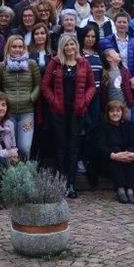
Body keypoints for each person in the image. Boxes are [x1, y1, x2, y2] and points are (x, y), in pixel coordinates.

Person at [42, 33, 96, 198]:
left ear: (76, 46)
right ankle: (61, 182)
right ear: (62, 47)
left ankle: (71, 183)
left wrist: (84, 102)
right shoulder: (55, 62)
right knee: (60, 147)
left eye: (72, 44)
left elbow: (91, 86)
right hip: (59, 112)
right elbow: (45, 86)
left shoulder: (84, 63)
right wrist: (54, 101)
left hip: (77, 112)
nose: (69, 47)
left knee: (74, 147)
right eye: (66, 45)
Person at [0, 35, 40, 159]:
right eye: (14, 46)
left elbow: (38, 85)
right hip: (8, 114)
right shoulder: (1, 66)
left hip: (26, 113)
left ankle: (24, 170)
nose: (17, 49)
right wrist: (4, 100)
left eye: (20, 47)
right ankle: (11, 171)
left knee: (24, 147)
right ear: (8, 48)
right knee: (9, 148)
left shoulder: (31, 64)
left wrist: (31, 98)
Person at [91, 100, 134, 204]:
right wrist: (114, 155)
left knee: (130, 154)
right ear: (107, 113)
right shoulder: (102, 127)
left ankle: (130, 190)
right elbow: (100, 147)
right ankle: (120, 189)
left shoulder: (129, 126)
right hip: (108, 160)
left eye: (118, 111)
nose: (115, 114)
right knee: (116, 150)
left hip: (127, 159)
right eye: (112, 111)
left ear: (122, 112)